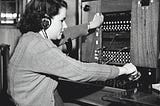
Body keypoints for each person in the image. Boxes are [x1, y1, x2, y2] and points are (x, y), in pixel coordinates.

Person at [7, 0, 138, 106]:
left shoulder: (30, 37)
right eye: (61, 20)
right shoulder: (38, 47)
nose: (64, 26)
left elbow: (64, 34)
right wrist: (122, 70)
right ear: (45, 22)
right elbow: (81, 71)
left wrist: (90, 25)